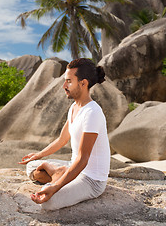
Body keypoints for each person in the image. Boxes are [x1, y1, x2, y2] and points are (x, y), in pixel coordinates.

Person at [19, 58, 110, 210]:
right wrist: (38, 155)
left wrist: (55, 187)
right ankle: (57, 172)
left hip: (91, 179)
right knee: (31, 166)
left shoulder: (92, 113)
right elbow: (62, 140)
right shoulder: (74, 107)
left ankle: (56, 173)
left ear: (83, 83)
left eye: (68, 81)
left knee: (48, 202)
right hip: (72, 166)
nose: (64, 86)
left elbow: (83, 159)